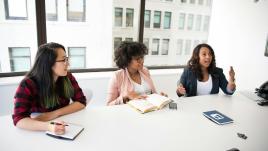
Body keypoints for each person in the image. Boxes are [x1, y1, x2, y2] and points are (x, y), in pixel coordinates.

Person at [12, 42, 87, 135]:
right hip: (37, 127)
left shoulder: (67, 76)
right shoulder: (28, 84)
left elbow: (81, 101)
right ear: (49, 63)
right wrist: (48, 126)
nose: (68, 63)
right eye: (63, 60)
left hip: (64, 121)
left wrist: (53, 114)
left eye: (67, 59)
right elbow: (19, 119)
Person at [107, 41, 166, 105]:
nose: (142, 61)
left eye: (142, 57)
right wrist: (125, 97)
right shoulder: (117, 76)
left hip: (149, 110)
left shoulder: (145, 71)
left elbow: (152, 94)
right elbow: (109, 104)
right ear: (127, 61)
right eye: (137, 59)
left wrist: (160, 98)